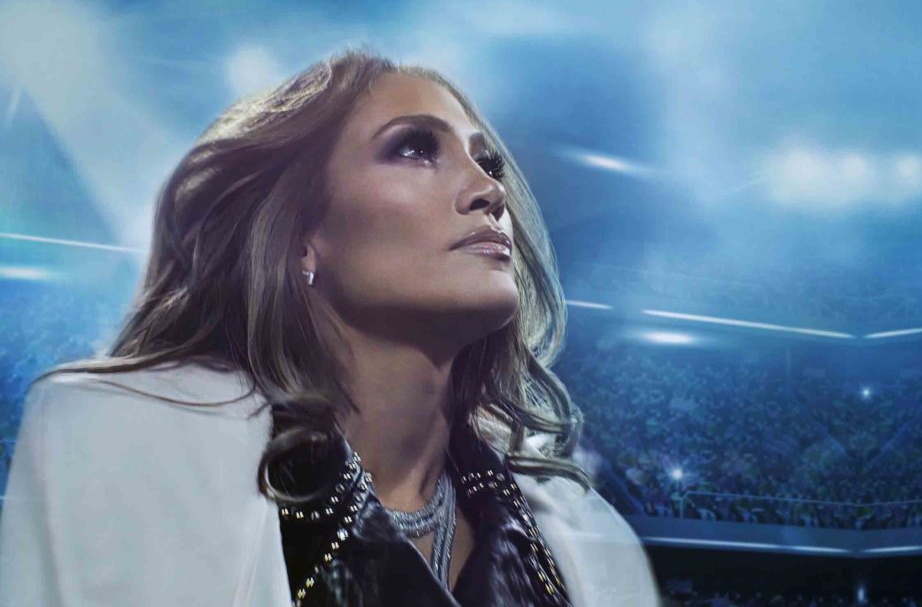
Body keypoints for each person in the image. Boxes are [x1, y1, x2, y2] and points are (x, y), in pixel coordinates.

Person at [0, 49, 661, 606]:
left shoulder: (589, 545)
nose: (489, 190)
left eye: (487, 162)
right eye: (414, 148)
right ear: (301, 237)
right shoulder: (122, 441)